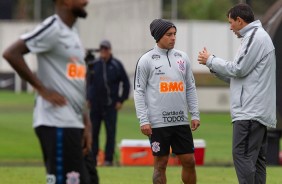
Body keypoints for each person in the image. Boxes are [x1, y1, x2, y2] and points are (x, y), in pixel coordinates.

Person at [2, 0, 99, 183]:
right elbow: (11, 53)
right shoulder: (53, 28)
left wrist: (85, 121)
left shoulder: (73, 32)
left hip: (74, 123)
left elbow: (76, 83)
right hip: (57, 122)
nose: (86, 1)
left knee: (90, 179)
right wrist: (41, 89)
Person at [198, 4, 276, 184]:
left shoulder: (254, 37)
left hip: (250, 111)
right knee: (255, 160)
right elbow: (240, 77)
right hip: (257, 110)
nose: (230, 27)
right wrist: (213, 66)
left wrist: (211, 59)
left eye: (231, 22)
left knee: (241, 154)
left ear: (240, 21)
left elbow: (238, 69)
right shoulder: (257, 37)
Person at [134, 19, 200, 184]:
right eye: (169, 34)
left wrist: (195, 114)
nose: (173, 38)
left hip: (180, 121)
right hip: (158, 124)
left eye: (174, 34)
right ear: (158, 36)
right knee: (161, 164)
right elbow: (139, 91)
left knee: (189, 161)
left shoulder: (182, 57)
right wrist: (143, 120)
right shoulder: (146, 60)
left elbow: (190, 88)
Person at [87, 40, 130, 166]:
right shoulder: (93, 64)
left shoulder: (116, 65)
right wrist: (88, 98)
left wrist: (121, 100)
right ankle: (93, 158)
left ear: (110, 50)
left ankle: (108, 159)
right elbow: (89, 83)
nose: (103, 51)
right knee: (93, 132)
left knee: (110, 133)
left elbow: (126, 83)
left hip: (111, 105)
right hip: (95, 105)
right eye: (101, 49)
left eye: (105, 49)